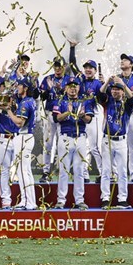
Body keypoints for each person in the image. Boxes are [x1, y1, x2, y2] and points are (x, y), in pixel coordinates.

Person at [0, 78, 37, 209]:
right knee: (26, 171)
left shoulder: (25, 103)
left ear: (25, 88)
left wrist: (8, 111)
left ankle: (29, 202)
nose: (17, 87)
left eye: (20, 85)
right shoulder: (30, 100)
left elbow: (19, 122)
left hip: (24, 137)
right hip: (26, 137)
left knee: (23, 170)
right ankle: (26, 201)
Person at [52, 76, 93, 210]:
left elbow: (89, 120)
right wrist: (67, 112)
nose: (73, 88)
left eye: (75, 86)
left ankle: (79, 200)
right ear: (66, 88)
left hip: (80, 137)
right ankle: (61, 200)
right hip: (65, 137)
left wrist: (82, 116)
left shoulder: (84, 101)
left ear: (79, 88)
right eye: (70, 86)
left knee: (79, 170)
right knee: (63, 170)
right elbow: (56, 118)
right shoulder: (60, 101)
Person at [67, 38, 104, 183]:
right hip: (80, 117)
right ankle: (85, 174)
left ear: (95, 70)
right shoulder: (80, 79)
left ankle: (103, 173)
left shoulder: (98, 82)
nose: (88, 69)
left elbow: (103, 98)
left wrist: (103, 84)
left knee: (95, 147)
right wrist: (72, 48)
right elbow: (71, 64)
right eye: (86, 67)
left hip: (93, 116)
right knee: (83, 147)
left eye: (91, 67)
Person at [97, 77, 133, 209]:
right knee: (106, 170)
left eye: (117, 90)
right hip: (107, 139)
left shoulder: (127, 105)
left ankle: (122, 198)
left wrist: (123, 85)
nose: (115, 92)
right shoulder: (107, 102)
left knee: (122, 171)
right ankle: (105, 198)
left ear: (122, 92)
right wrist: (107, 82)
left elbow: (132, 99)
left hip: (121, 141)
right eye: (113, 89)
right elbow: (100, 94)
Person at [38, 57, 68, 183]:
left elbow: (72, 94)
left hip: (64, 115)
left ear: (64, 66)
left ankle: (62, 169)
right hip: (50, 114)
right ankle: (46, 171)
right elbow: (42, 96)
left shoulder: (69, 80)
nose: (57, 68)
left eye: (59, 66)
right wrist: (48, 89)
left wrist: (60, 89)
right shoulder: (48, 79)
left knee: (62, 144)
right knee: (48, 143)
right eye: (55, 66)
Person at [117, 54, 133, 182]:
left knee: (132, 144)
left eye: (125, 60)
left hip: (132, 114)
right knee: (118, 144)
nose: (122, 61)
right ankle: (117, 172)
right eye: (122, 59)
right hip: (117, 115)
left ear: (131, 64)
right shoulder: (117, 78)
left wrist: (125, 90)